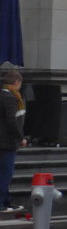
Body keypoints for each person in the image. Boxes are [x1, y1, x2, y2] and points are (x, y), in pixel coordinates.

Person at [0, 61, 29, 213]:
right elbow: (12, 121)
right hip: (7, 142)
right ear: (17, 82)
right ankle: (2, 203)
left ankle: (6, 201)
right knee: (6, 174)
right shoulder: (11, 98)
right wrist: (20, 137)